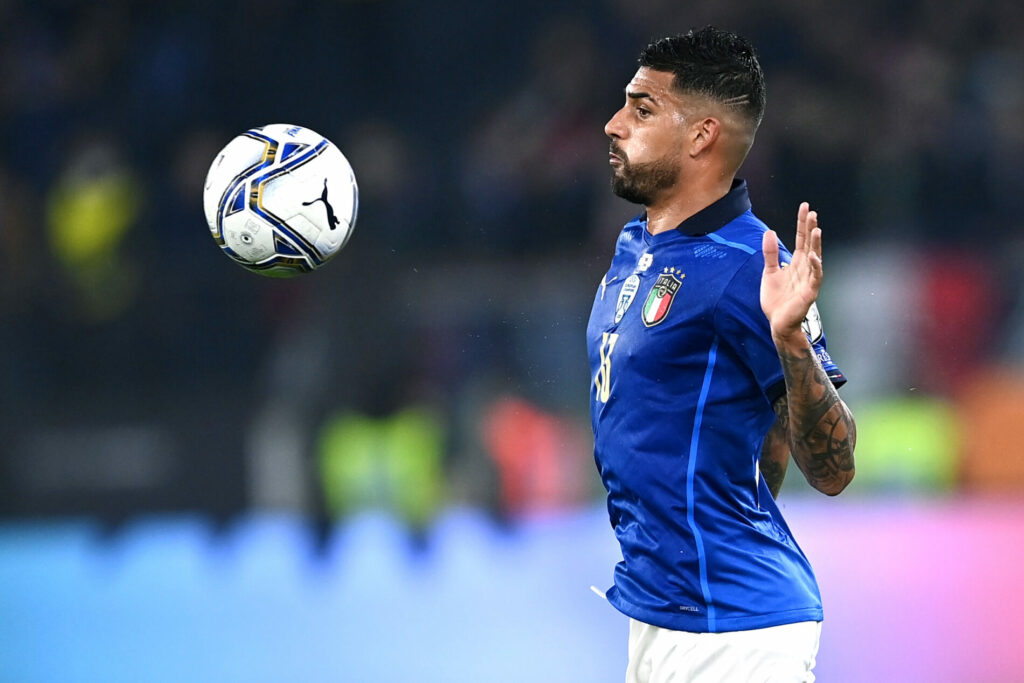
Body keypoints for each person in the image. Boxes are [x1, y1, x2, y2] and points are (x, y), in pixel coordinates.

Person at [587, 27, 856, 682]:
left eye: (642, 109)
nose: (614, 124)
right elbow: (765, 442)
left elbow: (836, 469)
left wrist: (791, 343)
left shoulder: (750, 267)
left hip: (737, 631)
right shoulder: (636, 246)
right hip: (664, 613)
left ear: (702, 135)